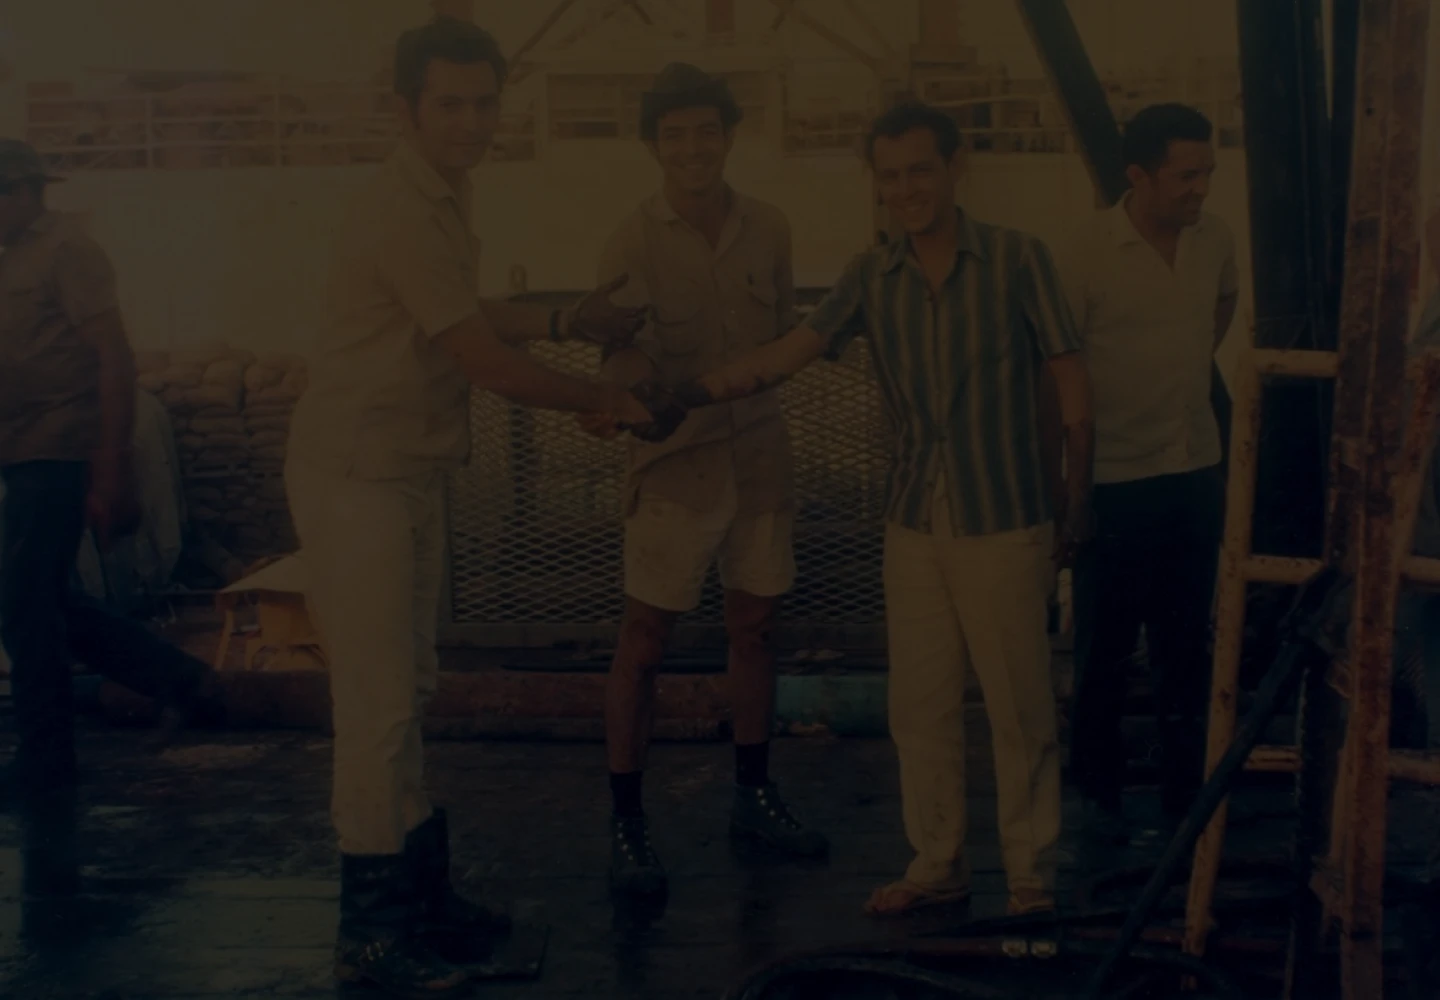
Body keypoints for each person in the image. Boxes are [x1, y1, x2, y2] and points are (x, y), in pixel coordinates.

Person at [282, 18, 672, 998]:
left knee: (408, 691)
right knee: (374, 711)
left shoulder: (444, 192)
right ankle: (371, 938)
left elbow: (462, 309)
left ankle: (420, 900)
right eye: (450, 104)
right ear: (408, 108)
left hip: (405, 476)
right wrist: (604, 396)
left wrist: (568, 319)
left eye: (484, 102)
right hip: (355, 478)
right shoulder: (401, 207)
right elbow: (483, 362)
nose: (471, 122)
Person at [637, 102, 1095, 917]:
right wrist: (684, 396)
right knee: (918, 708)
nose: (907, 189)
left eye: (921, 170)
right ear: (877, 187)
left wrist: (1075, 503)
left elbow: (1070, 384)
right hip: (913, 520)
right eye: (890, 177)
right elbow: (782, 356)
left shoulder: (1021, 260)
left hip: (1007, 519)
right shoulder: (868, 278)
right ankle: (938, 864)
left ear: (956, 168)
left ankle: (1032, 876)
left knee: (1019, 708)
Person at [576, 64, 829, 901]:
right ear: (653, 146)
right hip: (673, 471)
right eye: (674, 134)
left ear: (728, 136)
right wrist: (642, 386)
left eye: (706, 131)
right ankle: (627, 822)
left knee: (755, 631)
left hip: (758, 460)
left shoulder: (772, 228)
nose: (692, 148)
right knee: (644, 644)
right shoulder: (629, 238)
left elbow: (786, 341)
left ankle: (753, 797)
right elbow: (619, 351)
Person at [0, 139, 228, 890]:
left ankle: (46, 770)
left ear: (32, 193)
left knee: (27, 607)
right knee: (48, 599)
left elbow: (112, 356)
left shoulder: (71, 252)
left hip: (62, 448)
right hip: (17, 448)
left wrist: (112, 462)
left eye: (10, 194)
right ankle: (179, 679)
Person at [1055, 104, 1240, 841]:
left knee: (1187, 641)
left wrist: (1184, 365)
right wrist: (1069, 496)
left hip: (1194, 466)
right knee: (1103, 646)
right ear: (1138, 176)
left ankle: (1182, 794)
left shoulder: (1216, 240)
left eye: (1209, 174)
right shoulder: (1085, 252)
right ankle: (1098, 797)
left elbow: (1223, 305)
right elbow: (1057, 374)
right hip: (1113, 479)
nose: (1201, 190)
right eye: (1186, 175)